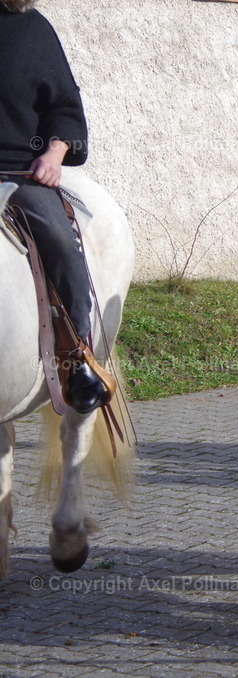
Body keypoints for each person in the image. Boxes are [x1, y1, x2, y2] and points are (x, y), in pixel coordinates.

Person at [0, 0, 115, 414]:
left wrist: (53, 153)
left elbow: (64, 106)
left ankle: (77, 358)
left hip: (17, 173)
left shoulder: (31, 30)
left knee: (61, 244)